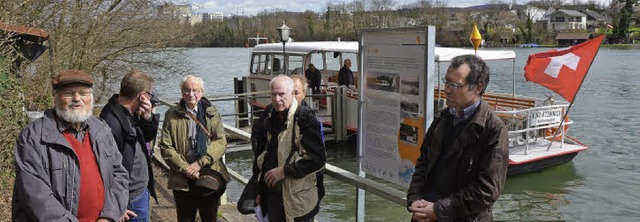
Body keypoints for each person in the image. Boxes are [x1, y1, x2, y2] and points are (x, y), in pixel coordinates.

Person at [12, 70, 129, 222]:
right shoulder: (33, 136)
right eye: (69, 93)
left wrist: (109, 215)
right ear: (55, 97)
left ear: (91, 97)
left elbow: (119, 174)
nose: (77, 99)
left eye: (83, 93)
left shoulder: (102, 129)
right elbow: (35, 195)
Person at [406, 55, 509, 222]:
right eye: (446, 82)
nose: (447, 89)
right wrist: (415, 197)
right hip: (426, 214)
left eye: (454, 85)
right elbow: (423, 161)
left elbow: (487, 190)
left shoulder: (493, 130)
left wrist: (439, 210)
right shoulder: (443, 117)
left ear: (477, 88)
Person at [251, 75, 326, 222]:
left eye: (281, 94)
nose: (277, 99)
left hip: (297, 197)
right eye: (273, 94)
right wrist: (259, 190)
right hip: (273, 193)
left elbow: (318, 159)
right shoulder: (270, 115)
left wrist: (285, 171)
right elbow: (262, 154)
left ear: (292, 93)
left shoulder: (305, 117)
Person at [159, 75, 230, 222]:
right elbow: (166, 146)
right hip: (182, 178)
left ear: (202, 92)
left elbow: (220, 141)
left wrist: (199, 164)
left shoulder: (212, 113)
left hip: (208, 176)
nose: (191, 94)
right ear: (181, 92)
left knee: (209, 218)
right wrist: (185, 168)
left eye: (195, 90)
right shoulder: (171, 114)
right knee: (185, 218)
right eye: (187, 90)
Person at [100, 71, 159, 222]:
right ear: (142, 96)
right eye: (150, 95)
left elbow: (148, 137)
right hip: (129, 199)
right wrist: (116, 206)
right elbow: (105, 168)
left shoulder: (129, 112)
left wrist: (148, 118)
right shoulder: (111, 122)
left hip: (138, 191)